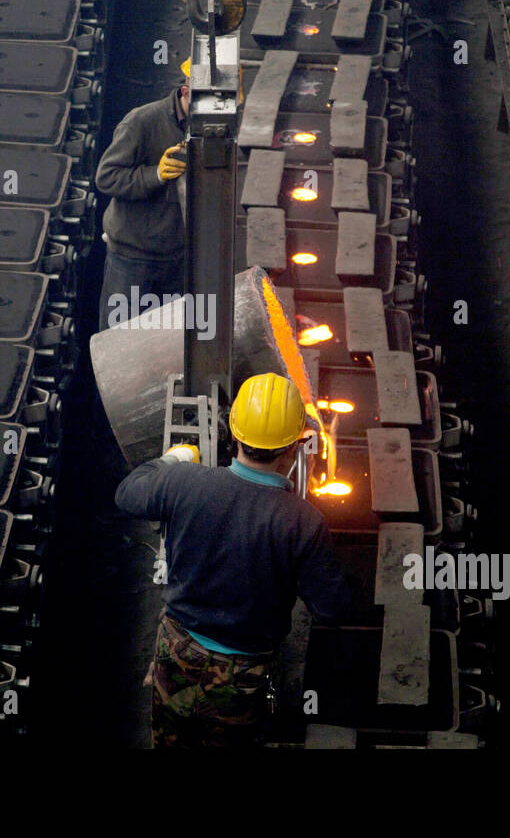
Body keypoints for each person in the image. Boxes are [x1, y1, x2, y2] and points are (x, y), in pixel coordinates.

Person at [115, 373, 353, 748]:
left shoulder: (185, 482)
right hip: (243, 678)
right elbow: (332, 610)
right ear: (293, 448)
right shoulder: (303, 521)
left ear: (233, 434)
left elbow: (127, 494)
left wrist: (174, 458)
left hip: (176, 654)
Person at [94, 60, 191, 332]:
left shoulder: (208, 127)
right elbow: (107, 177)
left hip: (177, 256)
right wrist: (155, 175)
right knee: (119, 339)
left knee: (166, 340)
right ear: (185, 92)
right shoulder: (142, 121)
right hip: (132, 257)